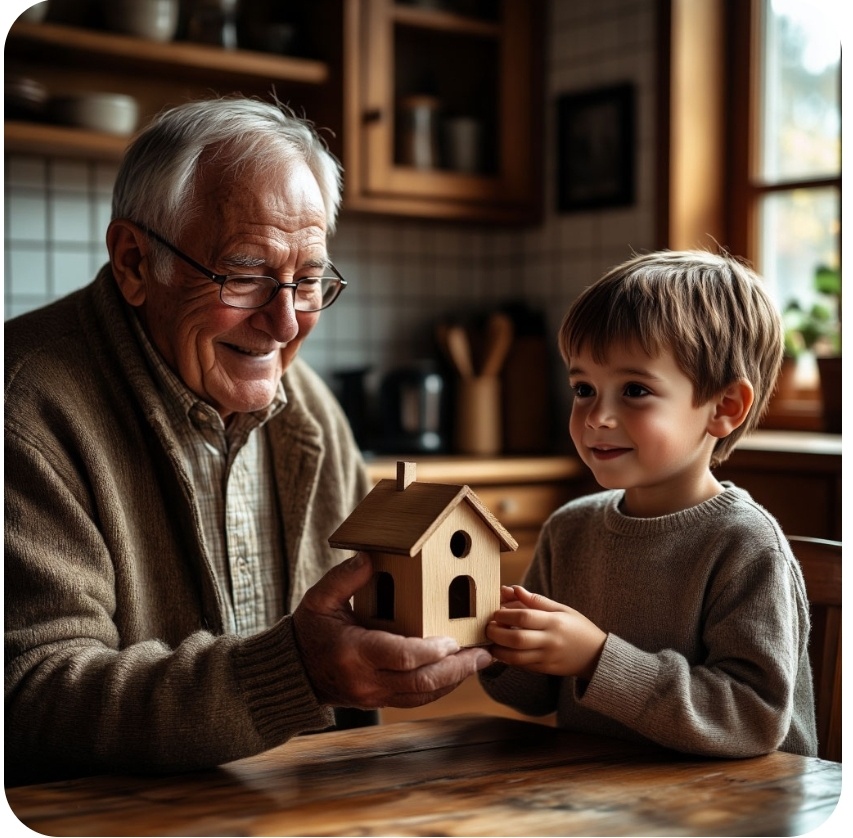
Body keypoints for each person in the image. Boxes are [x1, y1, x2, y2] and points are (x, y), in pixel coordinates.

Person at [4, 96, 492, 787]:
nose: (286, 322)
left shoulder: (311, 411)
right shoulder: (22, 408)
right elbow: (26, 694)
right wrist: (295, 672)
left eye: (308, 280)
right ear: (135, 263)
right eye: (245, 276)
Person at [479, 250, 818, 758]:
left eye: (634, 390)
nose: (597, 416)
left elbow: (753, 718)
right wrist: (496, 642)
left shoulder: (746, 545)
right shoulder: (569, 530)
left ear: (724, 408)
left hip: (740, 798)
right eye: (584, 388)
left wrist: (597, 658)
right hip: (603, 791)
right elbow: (531, 697)